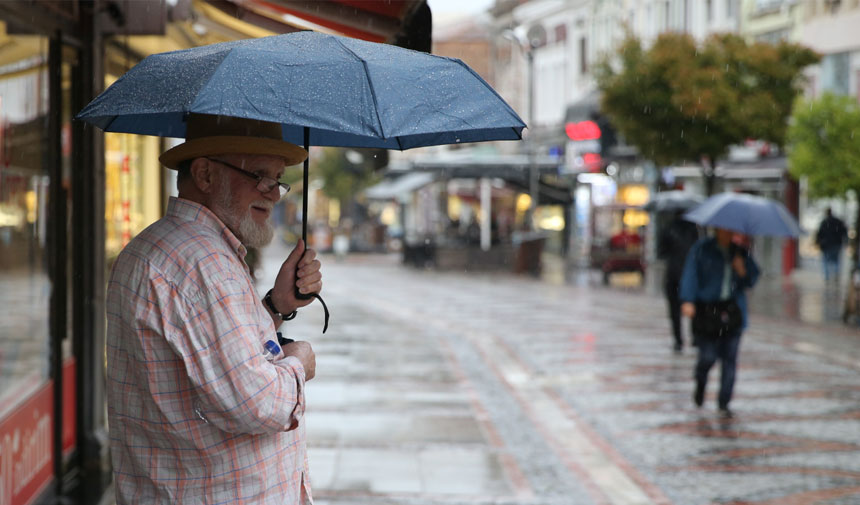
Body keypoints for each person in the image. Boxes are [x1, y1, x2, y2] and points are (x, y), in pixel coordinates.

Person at [105, 114, 323, 504]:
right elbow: (257, 404)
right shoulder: (203, 263)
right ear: (204, 174)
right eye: (259, 174)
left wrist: (276, 305)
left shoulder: (161, 245)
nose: (273, 192)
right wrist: (299, 364)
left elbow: (205, 353)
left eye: (278, 178)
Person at [680, 227, 759, 418]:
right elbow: (691, 274)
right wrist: (688, 300)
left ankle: (724, 402)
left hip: (732, 312)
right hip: (707, 312)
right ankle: (700, 383)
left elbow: (752, 278)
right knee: (707, 357)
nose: (727, 233)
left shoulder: (739, 251)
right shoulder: (701, 249)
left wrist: (742, 271)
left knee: (729, 358)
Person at [657, 211, 700, 352]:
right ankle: (695, 338)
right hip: (689, 273)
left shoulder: (669, 228)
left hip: (674, 274)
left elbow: (661, 252)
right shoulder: (694, 229)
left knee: (675, 310)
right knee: (692, 306)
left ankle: (678, 340)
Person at [815, 207, 848, 282]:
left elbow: (819, 234)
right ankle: (836, 273)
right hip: (837, 244)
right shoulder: (838, 221)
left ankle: (827, 277)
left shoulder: (824, 222)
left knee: (826, 261)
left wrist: (818, 242)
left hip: (826, 245)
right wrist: (845, 242)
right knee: (836, 260)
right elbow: (844, 231)